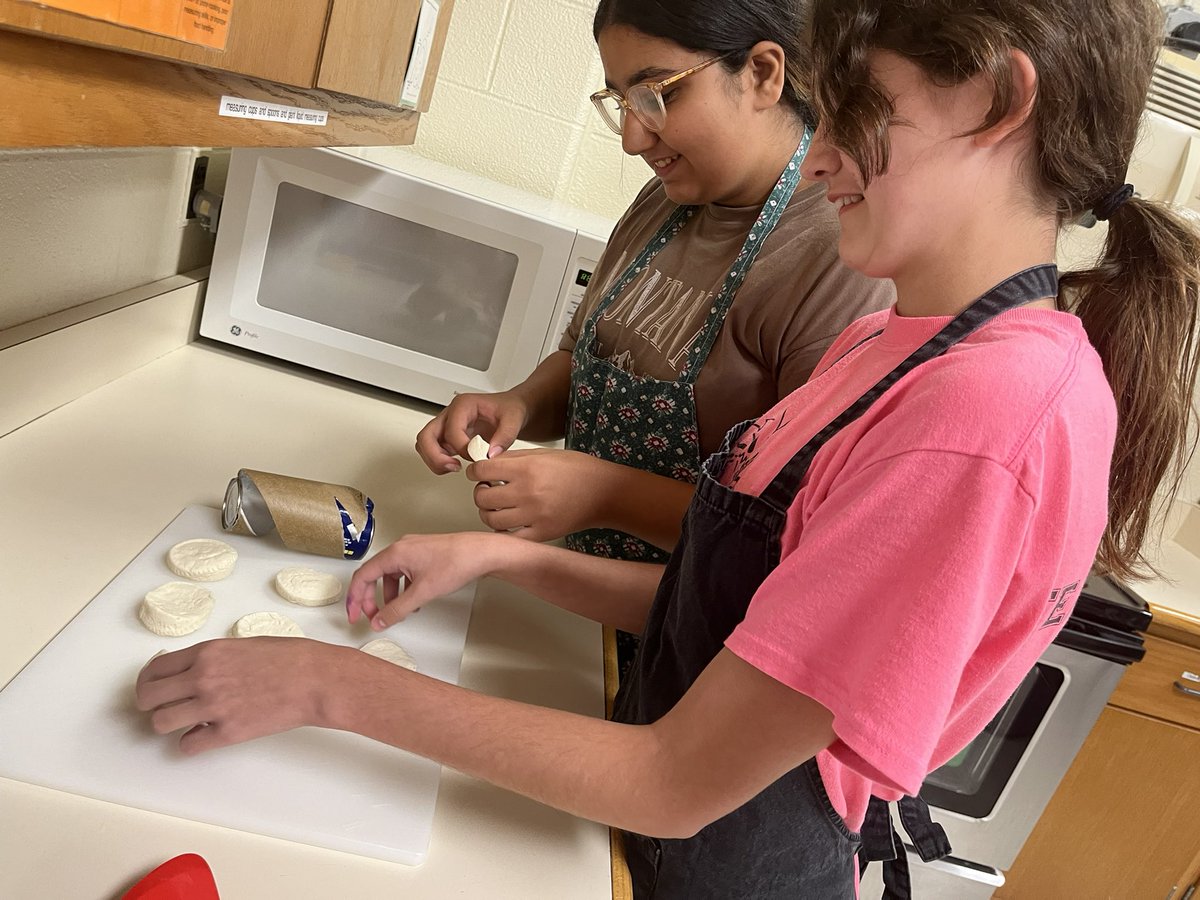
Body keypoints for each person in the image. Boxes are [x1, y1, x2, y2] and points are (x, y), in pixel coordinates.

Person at [135, 0, 1200, 897]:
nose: (824, 154)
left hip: (725, 859)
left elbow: (676, 781)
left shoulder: (983, 422)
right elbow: (744, 619)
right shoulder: (896, 344)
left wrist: (329, 687)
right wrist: (500, 559)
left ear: (998, 101)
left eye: (861, 110)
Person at [414, 0, 892, 564]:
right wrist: (517, 404)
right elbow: (586, 356)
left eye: (658, 94)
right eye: (622, 102)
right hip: (573, 575)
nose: (633, 139)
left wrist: (605, 496)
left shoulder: (837, 260)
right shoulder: (664, 202)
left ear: (762, 73)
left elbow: (788, 530)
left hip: (680, 609)